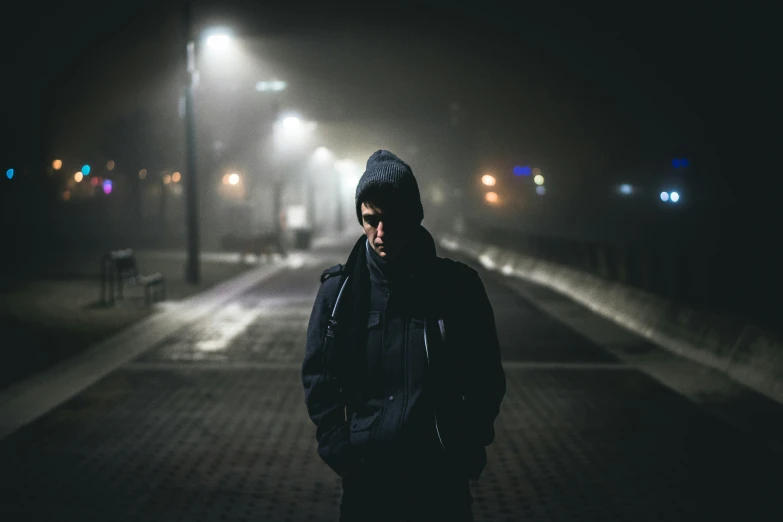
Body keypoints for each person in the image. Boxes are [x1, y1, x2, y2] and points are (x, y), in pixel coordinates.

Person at [301, 150, 506, 522]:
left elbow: (486, 376)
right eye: (370, 220)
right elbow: (319, 377)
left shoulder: (458, 288)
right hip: (366, 477)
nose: (380, 233)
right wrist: (340, 450)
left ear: (414, 216)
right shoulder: (338, 292)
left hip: (439, 476)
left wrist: (465, 443)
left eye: (391, 220)